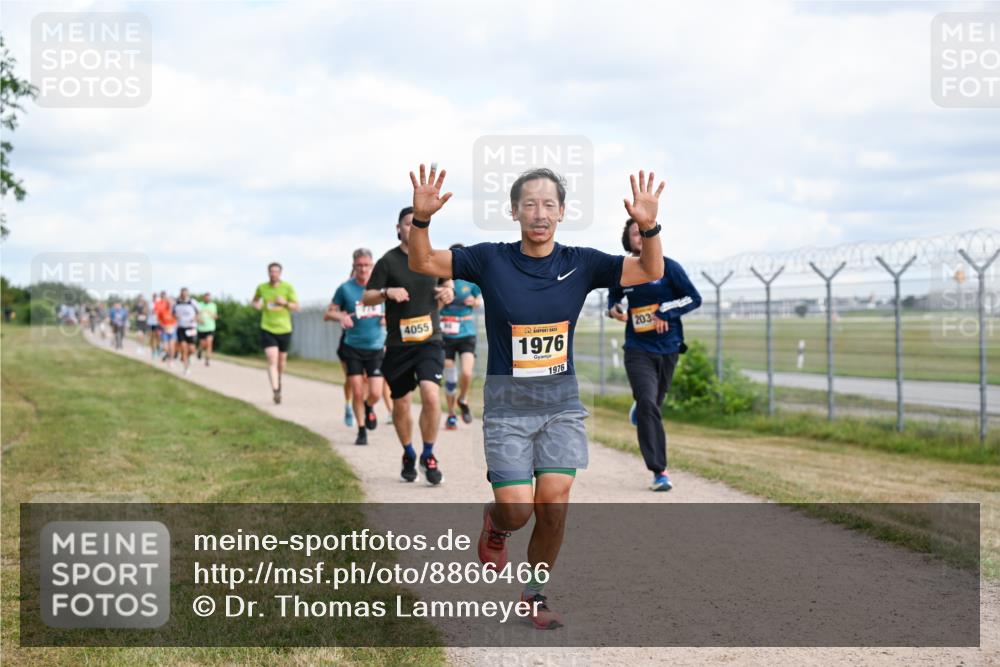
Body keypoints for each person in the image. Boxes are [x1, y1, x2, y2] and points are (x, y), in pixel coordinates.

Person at [406, 163, 665, 629]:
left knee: (554, 501)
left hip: (560, 402)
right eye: (530, 204)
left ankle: (535, 593)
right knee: (517, 509)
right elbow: (423, 262)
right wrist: (422, 221)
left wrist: (648, 227)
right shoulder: (490, 259)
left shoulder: (582, 263)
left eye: (549, 204)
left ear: (562, 212)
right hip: (507, 404)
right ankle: (496, 523)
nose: (539, 213)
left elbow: (650, 268)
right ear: (514, 211)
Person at [608, 218, 701, 491]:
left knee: (652, 405)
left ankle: (643, 406)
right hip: (637, 349)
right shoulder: (624, 269)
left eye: (642, 232)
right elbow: (614, 298)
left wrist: (664, 311)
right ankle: (659, 471)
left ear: (652, 236)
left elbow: (693, 298)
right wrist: (613, 308)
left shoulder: (668, 267)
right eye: (633, 233)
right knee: (649, 404)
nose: (639, 236)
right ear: (628, 239)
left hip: (668, 348)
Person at [363, 206, 454, 486]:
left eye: (417, 224)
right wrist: (386, 292)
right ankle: (408, 451)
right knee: (401, 404)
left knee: (430, 394)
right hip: (399, 344)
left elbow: (448, 282)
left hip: (430, 341)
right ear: (398, 228)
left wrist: (448, 291)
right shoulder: (388, 262)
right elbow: (367, 297)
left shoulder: (432, 256)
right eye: (407, 224)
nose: (412, 228)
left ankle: (428, 454)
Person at [327, 248, 387, 445]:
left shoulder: (381, 287)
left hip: (376, 346)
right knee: (358, 390)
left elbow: (397, 309)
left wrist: (389, 318)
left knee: (376, 392)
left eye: (366, 265)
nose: (363, 269)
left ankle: (369, 408)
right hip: (352, 347)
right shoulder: (345, 289)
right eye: (359, 265)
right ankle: (361, 430)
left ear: (372, 266)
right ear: (354, 266)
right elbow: (329, 313)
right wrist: (341, 316)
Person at [440, 242, 482, 429]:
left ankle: (462, 400)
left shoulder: (472, 279)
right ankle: (450, 415)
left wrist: (474, 301)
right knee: (450, 377)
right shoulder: (442, 277)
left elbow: (479, 300)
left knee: (466, 372)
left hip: (466, 333)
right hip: (445, 335)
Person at [252, 262, 299, 404]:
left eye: (276, 271)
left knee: (281, 361)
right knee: (272, 359)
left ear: (280, 273)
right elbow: (254, 301)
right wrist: (257, 305)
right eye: (271, 271)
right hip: (267, 327)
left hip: (284, 328)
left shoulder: (288, 287)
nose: (273, 274)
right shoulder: (262, 287)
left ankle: (278, 379)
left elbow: (296, 307)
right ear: (268, 272)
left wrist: (285, 303)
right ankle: (276, 390)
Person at [173, 288, 200, 376]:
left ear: (188, 294)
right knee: (184, 348)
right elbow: (172, 313)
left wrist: (195, 318)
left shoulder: (192, 302)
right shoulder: (176, 303)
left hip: (191, 328)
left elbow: (199, 312)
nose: (184, 295)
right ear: (180, 294)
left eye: (185, 294)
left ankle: (187, 357)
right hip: (181, 328)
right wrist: (176, 317)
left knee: (192, 349)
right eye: (182, 294)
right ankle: (186, 368)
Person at [196, 292, 218, 367]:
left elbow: (215, 316)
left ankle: (207, 360)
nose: (207, 299)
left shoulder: (213, 305)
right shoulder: (199, 304)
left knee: (209, 343)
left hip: (210, 327)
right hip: (201, 328)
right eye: (206, 297)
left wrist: (213, 315)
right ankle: (200, 350)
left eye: (209, 298)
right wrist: (199, 320)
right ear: (204, 298)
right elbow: (196, 315)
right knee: (203, 344)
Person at [157, 293, 177, 367]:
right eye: (168, 302)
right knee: (166, 347)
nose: (170, 304)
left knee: (172, 346)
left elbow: (177, 320)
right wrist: (163, 326)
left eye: (171, 302)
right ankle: (166, 354)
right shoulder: (163, 310)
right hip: (165, 331)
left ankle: (171, 360)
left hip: (172, 330)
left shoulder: (175, 311)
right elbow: (159, 320)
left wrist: (173, 326)